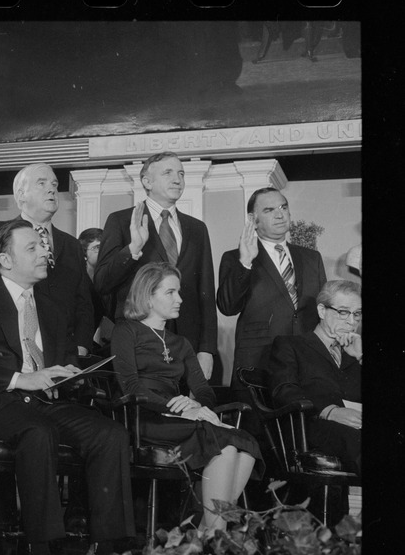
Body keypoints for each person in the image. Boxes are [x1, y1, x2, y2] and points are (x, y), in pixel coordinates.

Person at [0, 220, 135, 555]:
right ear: (6, 259)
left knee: (110, 434)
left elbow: (56, 364)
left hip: (47, 402)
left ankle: (109, 551)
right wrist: (18, 378)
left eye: (43, 246)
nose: (45, 252)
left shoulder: (52, 307)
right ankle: (42, 552)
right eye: (32, 248)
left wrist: (70, 374)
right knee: (38, 431)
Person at [111, 262, 263, 534]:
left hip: (181, 417)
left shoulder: (181, 343)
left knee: (243, 443)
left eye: (178, 292)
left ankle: (209, 531)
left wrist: (196, 405)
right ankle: (213, 538)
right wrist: (178, 408)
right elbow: (130, 385)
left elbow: (204, 391)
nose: (179, 299)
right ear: (148, 296)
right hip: (145, 417)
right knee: (223, 441)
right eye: (170, 292)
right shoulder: (126, 331)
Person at [94, 151, 218, 381]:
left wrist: (207, 349)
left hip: (187, 348)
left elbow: (206, 293)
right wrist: (132, 249)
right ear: (147, 182)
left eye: (181, 173)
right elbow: (102, 282)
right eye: (168, 173)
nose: (177, 179)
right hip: (139, 346)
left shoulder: (197, 229)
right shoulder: (121, 221)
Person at [0, 164, 96, 355]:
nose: (51, 189)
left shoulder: (71, 244)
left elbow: (84, 302)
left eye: (54, 184)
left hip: (65, 352)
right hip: (14, 349)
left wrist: (82, 346)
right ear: (21, 195)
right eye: (41, 183)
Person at [217, 187, 326, 388]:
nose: (279, 214)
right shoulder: (234, 258)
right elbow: (228, 307)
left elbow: (324, 310)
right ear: (252, 218)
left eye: (283, 207)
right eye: (269, 210)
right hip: (259, 360)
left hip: (307, 358)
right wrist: (245, 263)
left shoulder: (312, 258)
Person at [268, 280, 362, 477]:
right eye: (343, 312)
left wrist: (361, 358)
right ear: (321, 310)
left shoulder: (354, 351)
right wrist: (329, 411)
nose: (352, 322)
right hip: (310, 427)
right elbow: (284, 390)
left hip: (353, 428)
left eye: (357, 314)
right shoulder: (291, 345)